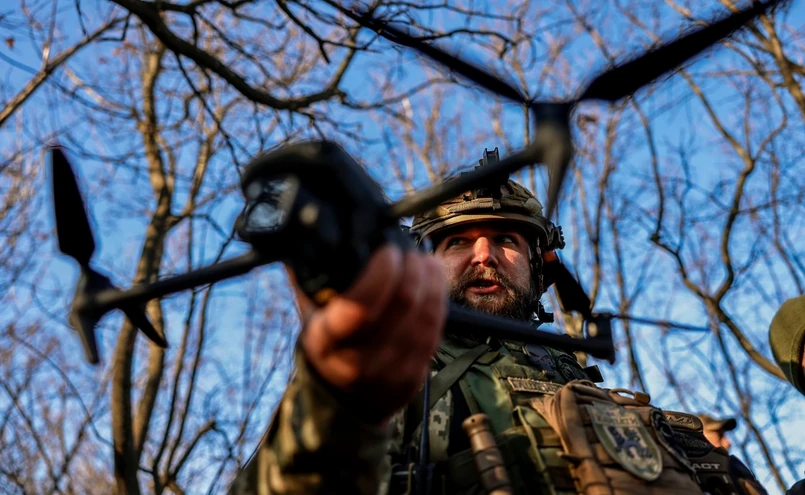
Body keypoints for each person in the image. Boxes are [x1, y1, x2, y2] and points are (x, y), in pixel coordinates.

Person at [228, 147, 767, 495]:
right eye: (458, 242)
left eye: (505, 238)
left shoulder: (583, 381)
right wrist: (339, 398)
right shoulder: (392, 368)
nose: (483, 254)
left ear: (539, 264)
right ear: (425, 264)